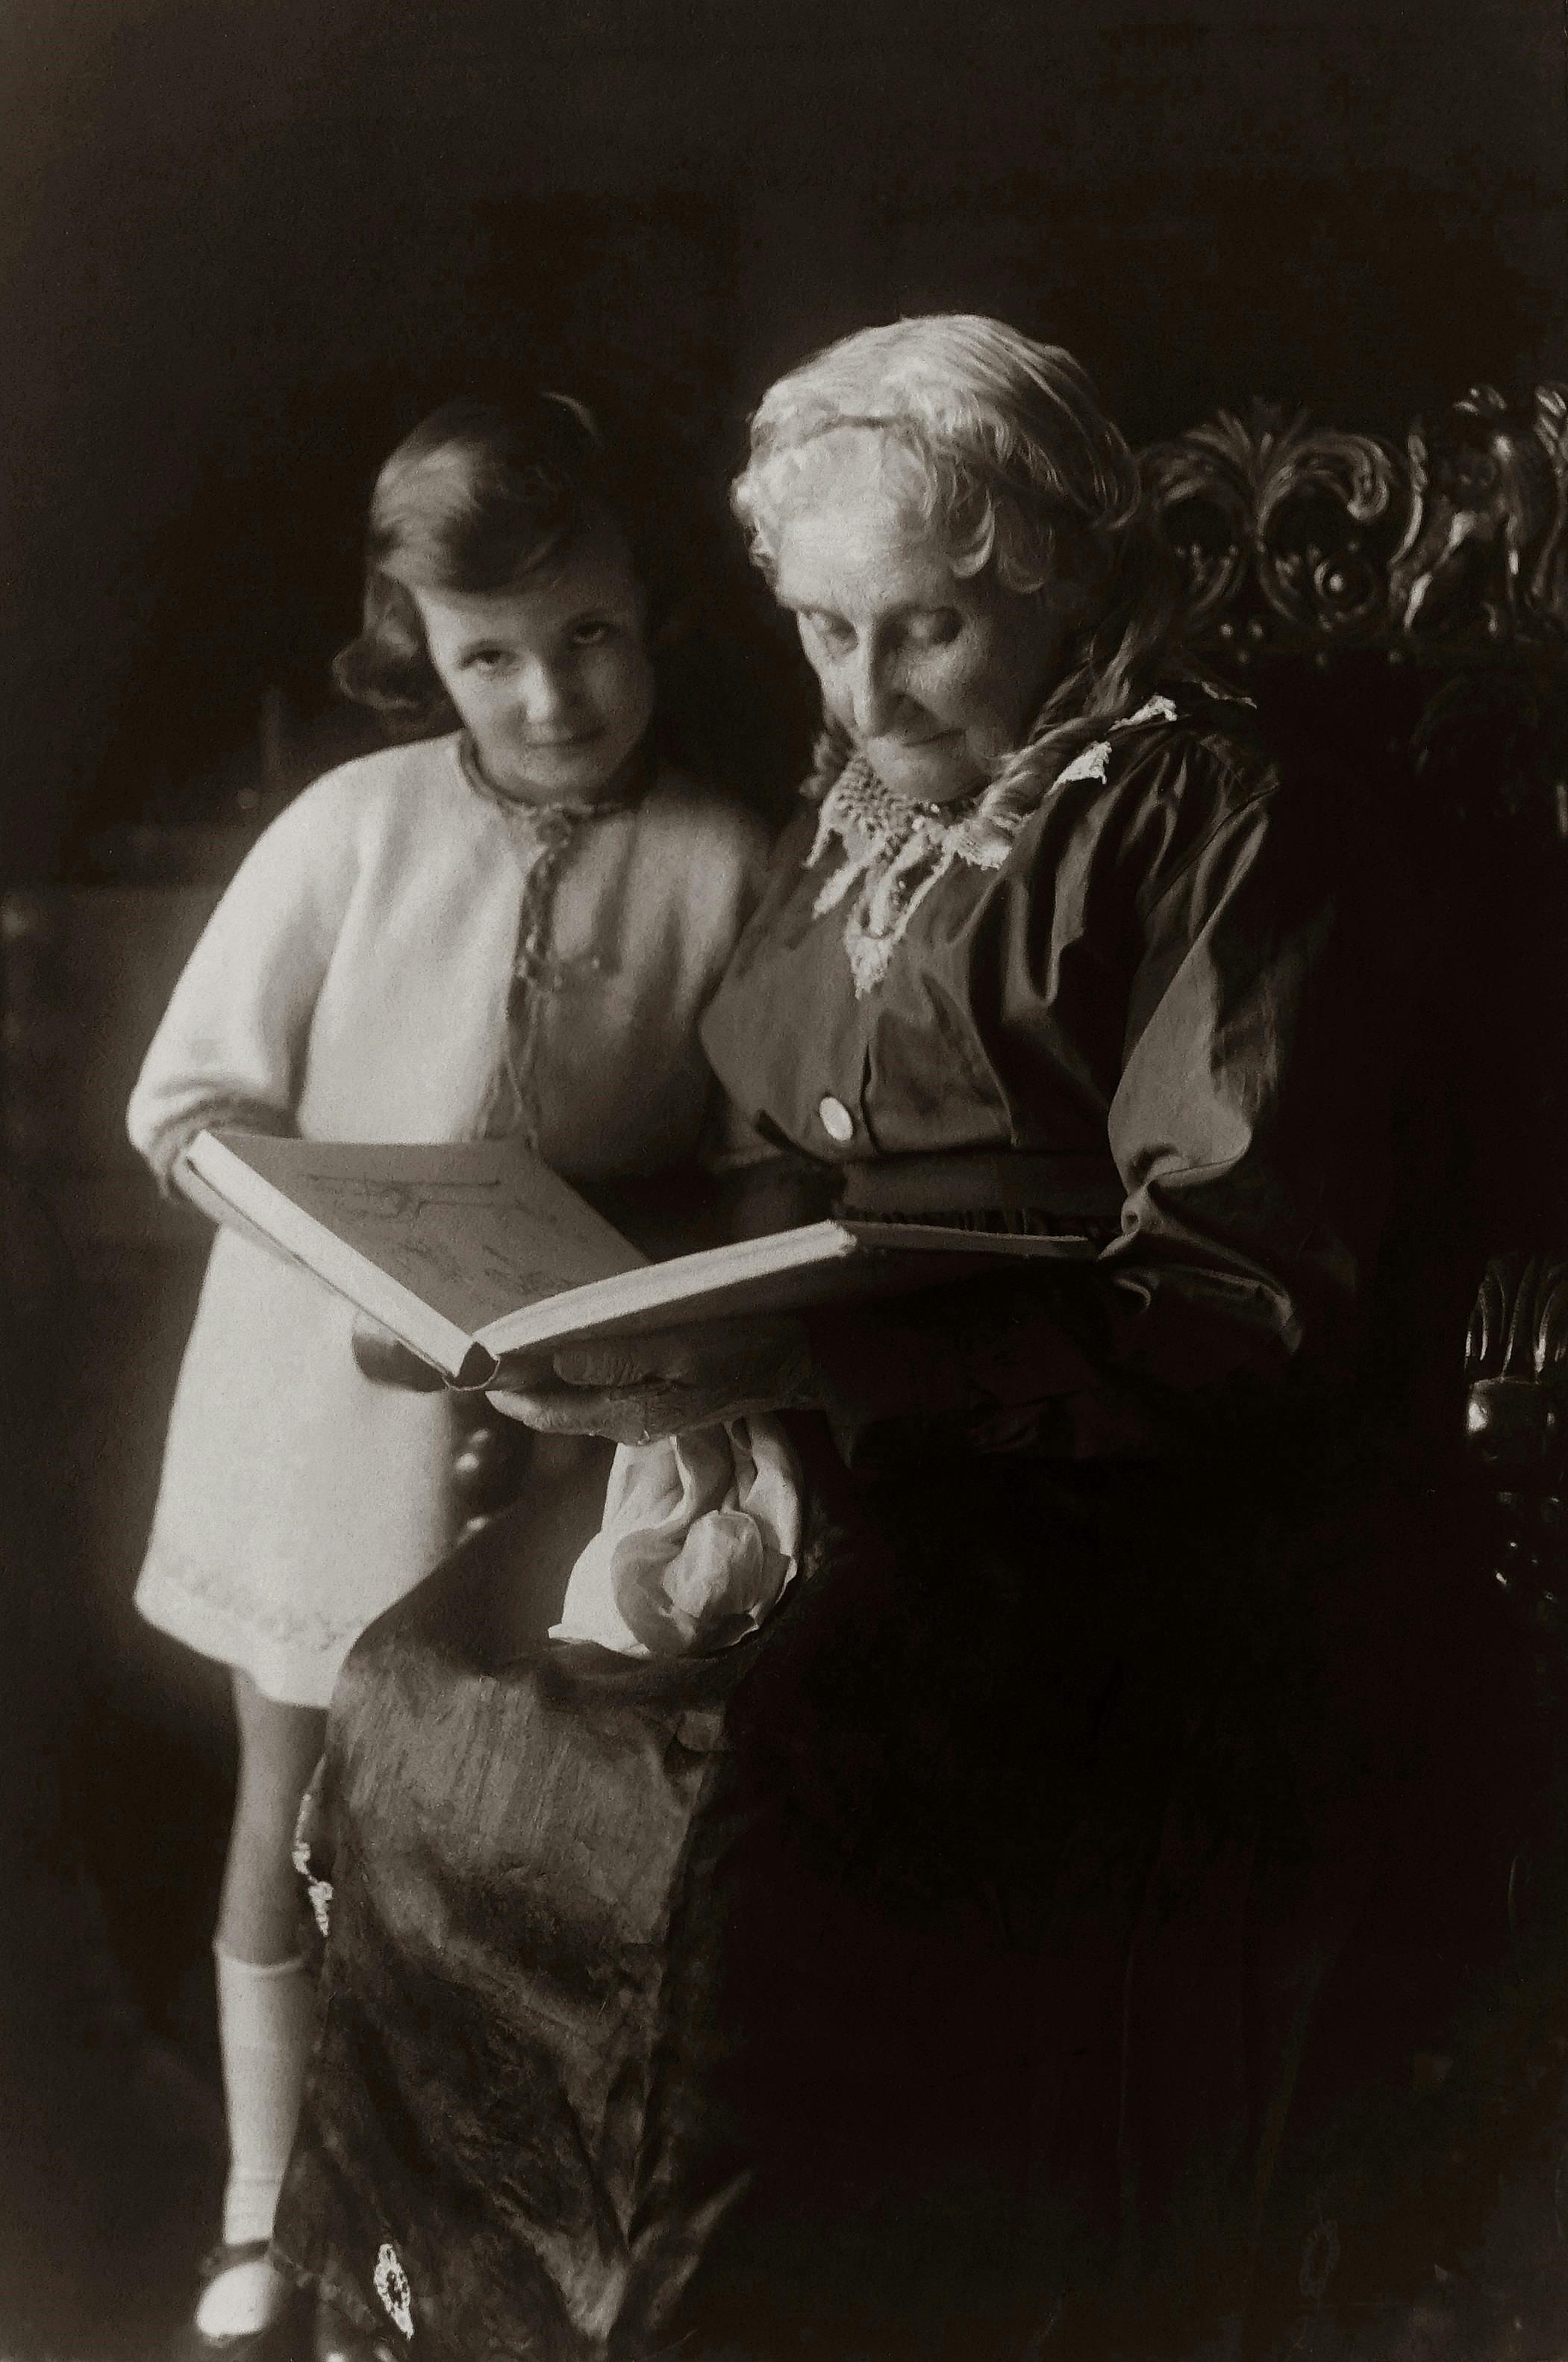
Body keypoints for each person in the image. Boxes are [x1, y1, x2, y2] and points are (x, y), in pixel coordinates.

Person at [272, 317, 1434, 2360]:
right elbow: (764, 1153)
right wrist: (535, 1313)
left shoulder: (1213, 808)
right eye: (821, 631)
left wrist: (817, 1377)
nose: (865, 694)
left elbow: (1243, 1303)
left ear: (1065, 570)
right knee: (422, 1685)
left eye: (925, 630)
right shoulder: (868, 807)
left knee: (721, 1789)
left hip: (1099, 1495)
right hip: (824, 1422)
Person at [125, 390, 770, 2361]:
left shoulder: (730, 858)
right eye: (488, 656)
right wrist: (325, 1221)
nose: (551, 695)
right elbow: (188, 1099)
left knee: (478, 1844)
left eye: (587, 636)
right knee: (289, 1792)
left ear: (650, 610)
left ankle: (440, 2211)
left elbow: (747, 1153)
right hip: (319, 1406)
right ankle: (259, 2208)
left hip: (564, 1427)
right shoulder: (349, 829)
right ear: (421, 648)